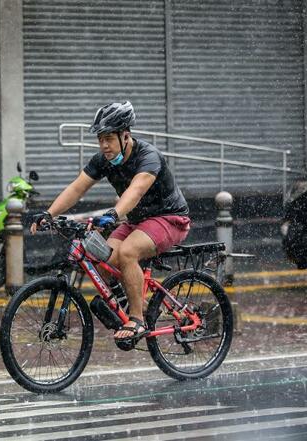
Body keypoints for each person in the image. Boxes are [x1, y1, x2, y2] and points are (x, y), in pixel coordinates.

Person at [30, 101, 191, 346]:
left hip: (170, 218)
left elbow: (135, 192)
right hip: (137, 220)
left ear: (125, 135)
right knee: (102, 259)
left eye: (109, 138)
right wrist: (49, 214)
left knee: (127, 253)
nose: (104, 145)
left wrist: (114, 214)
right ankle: (138, 302)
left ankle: (136, 319)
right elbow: (77, 188)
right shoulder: (103, 160)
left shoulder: (148, 157)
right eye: (100, 139)